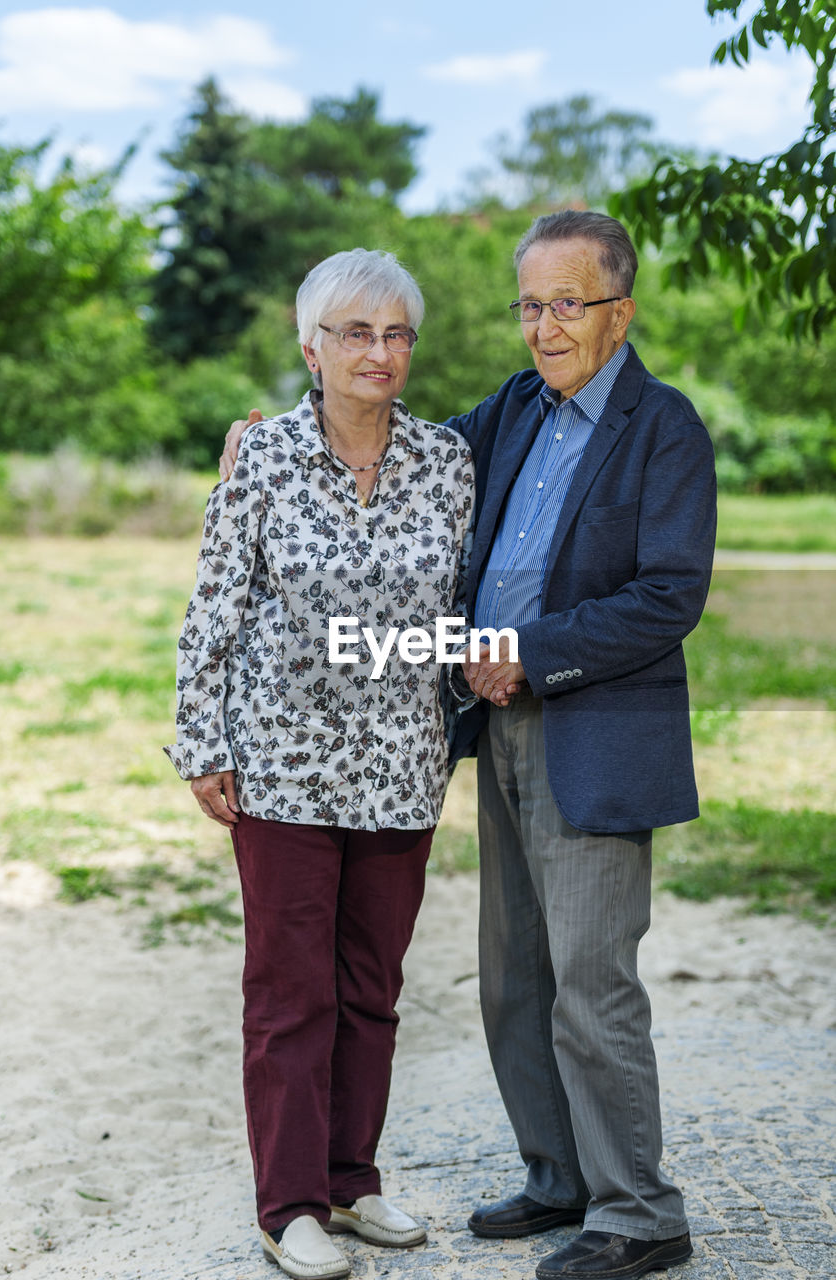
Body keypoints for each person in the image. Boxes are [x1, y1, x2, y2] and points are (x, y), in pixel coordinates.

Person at [220, 211, 717, 1280]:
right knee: (513, 978)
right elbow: (392, 434)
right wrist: (280, 444)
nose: (544, 325)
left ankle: (637, 1208)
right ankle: (556, 1174)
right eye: (529, 304)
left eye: (567, 303)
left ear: (618, 310)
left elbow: (670, 596)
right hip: (492, 727)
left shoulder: (664, 428)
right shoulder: (511, 412)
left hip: (593, 724)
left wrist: (530, 651)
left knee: (591, 980)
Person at [167, 248, 474, 1280]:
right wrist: (203, 741)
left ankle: (351, 1177)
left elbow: (454, 618)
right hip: (282, 769)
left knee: (371, 986)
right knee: (289, 988)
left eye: (394, 333)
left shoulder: (446, 461)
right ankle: (288, 1203)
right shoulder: (259, 457)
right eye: (354, 332)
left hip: (399, 765)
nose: (377, 351)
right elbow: (214, 607)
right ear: (311, 346)